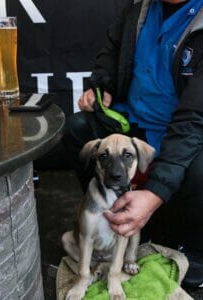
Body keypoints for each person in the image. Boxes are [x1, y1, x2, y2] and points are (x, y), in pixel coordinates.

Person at [63, 0, 203, 288]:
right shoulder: (138, 7)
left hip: (185, 130)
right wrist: (103, 85)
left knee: (200, 168)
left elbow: (193, 121)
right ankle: (112, 217)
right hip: (132, 121)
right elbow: (113, 53)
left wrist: (155, 194)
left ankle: (195, 257)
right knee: (78, 129)